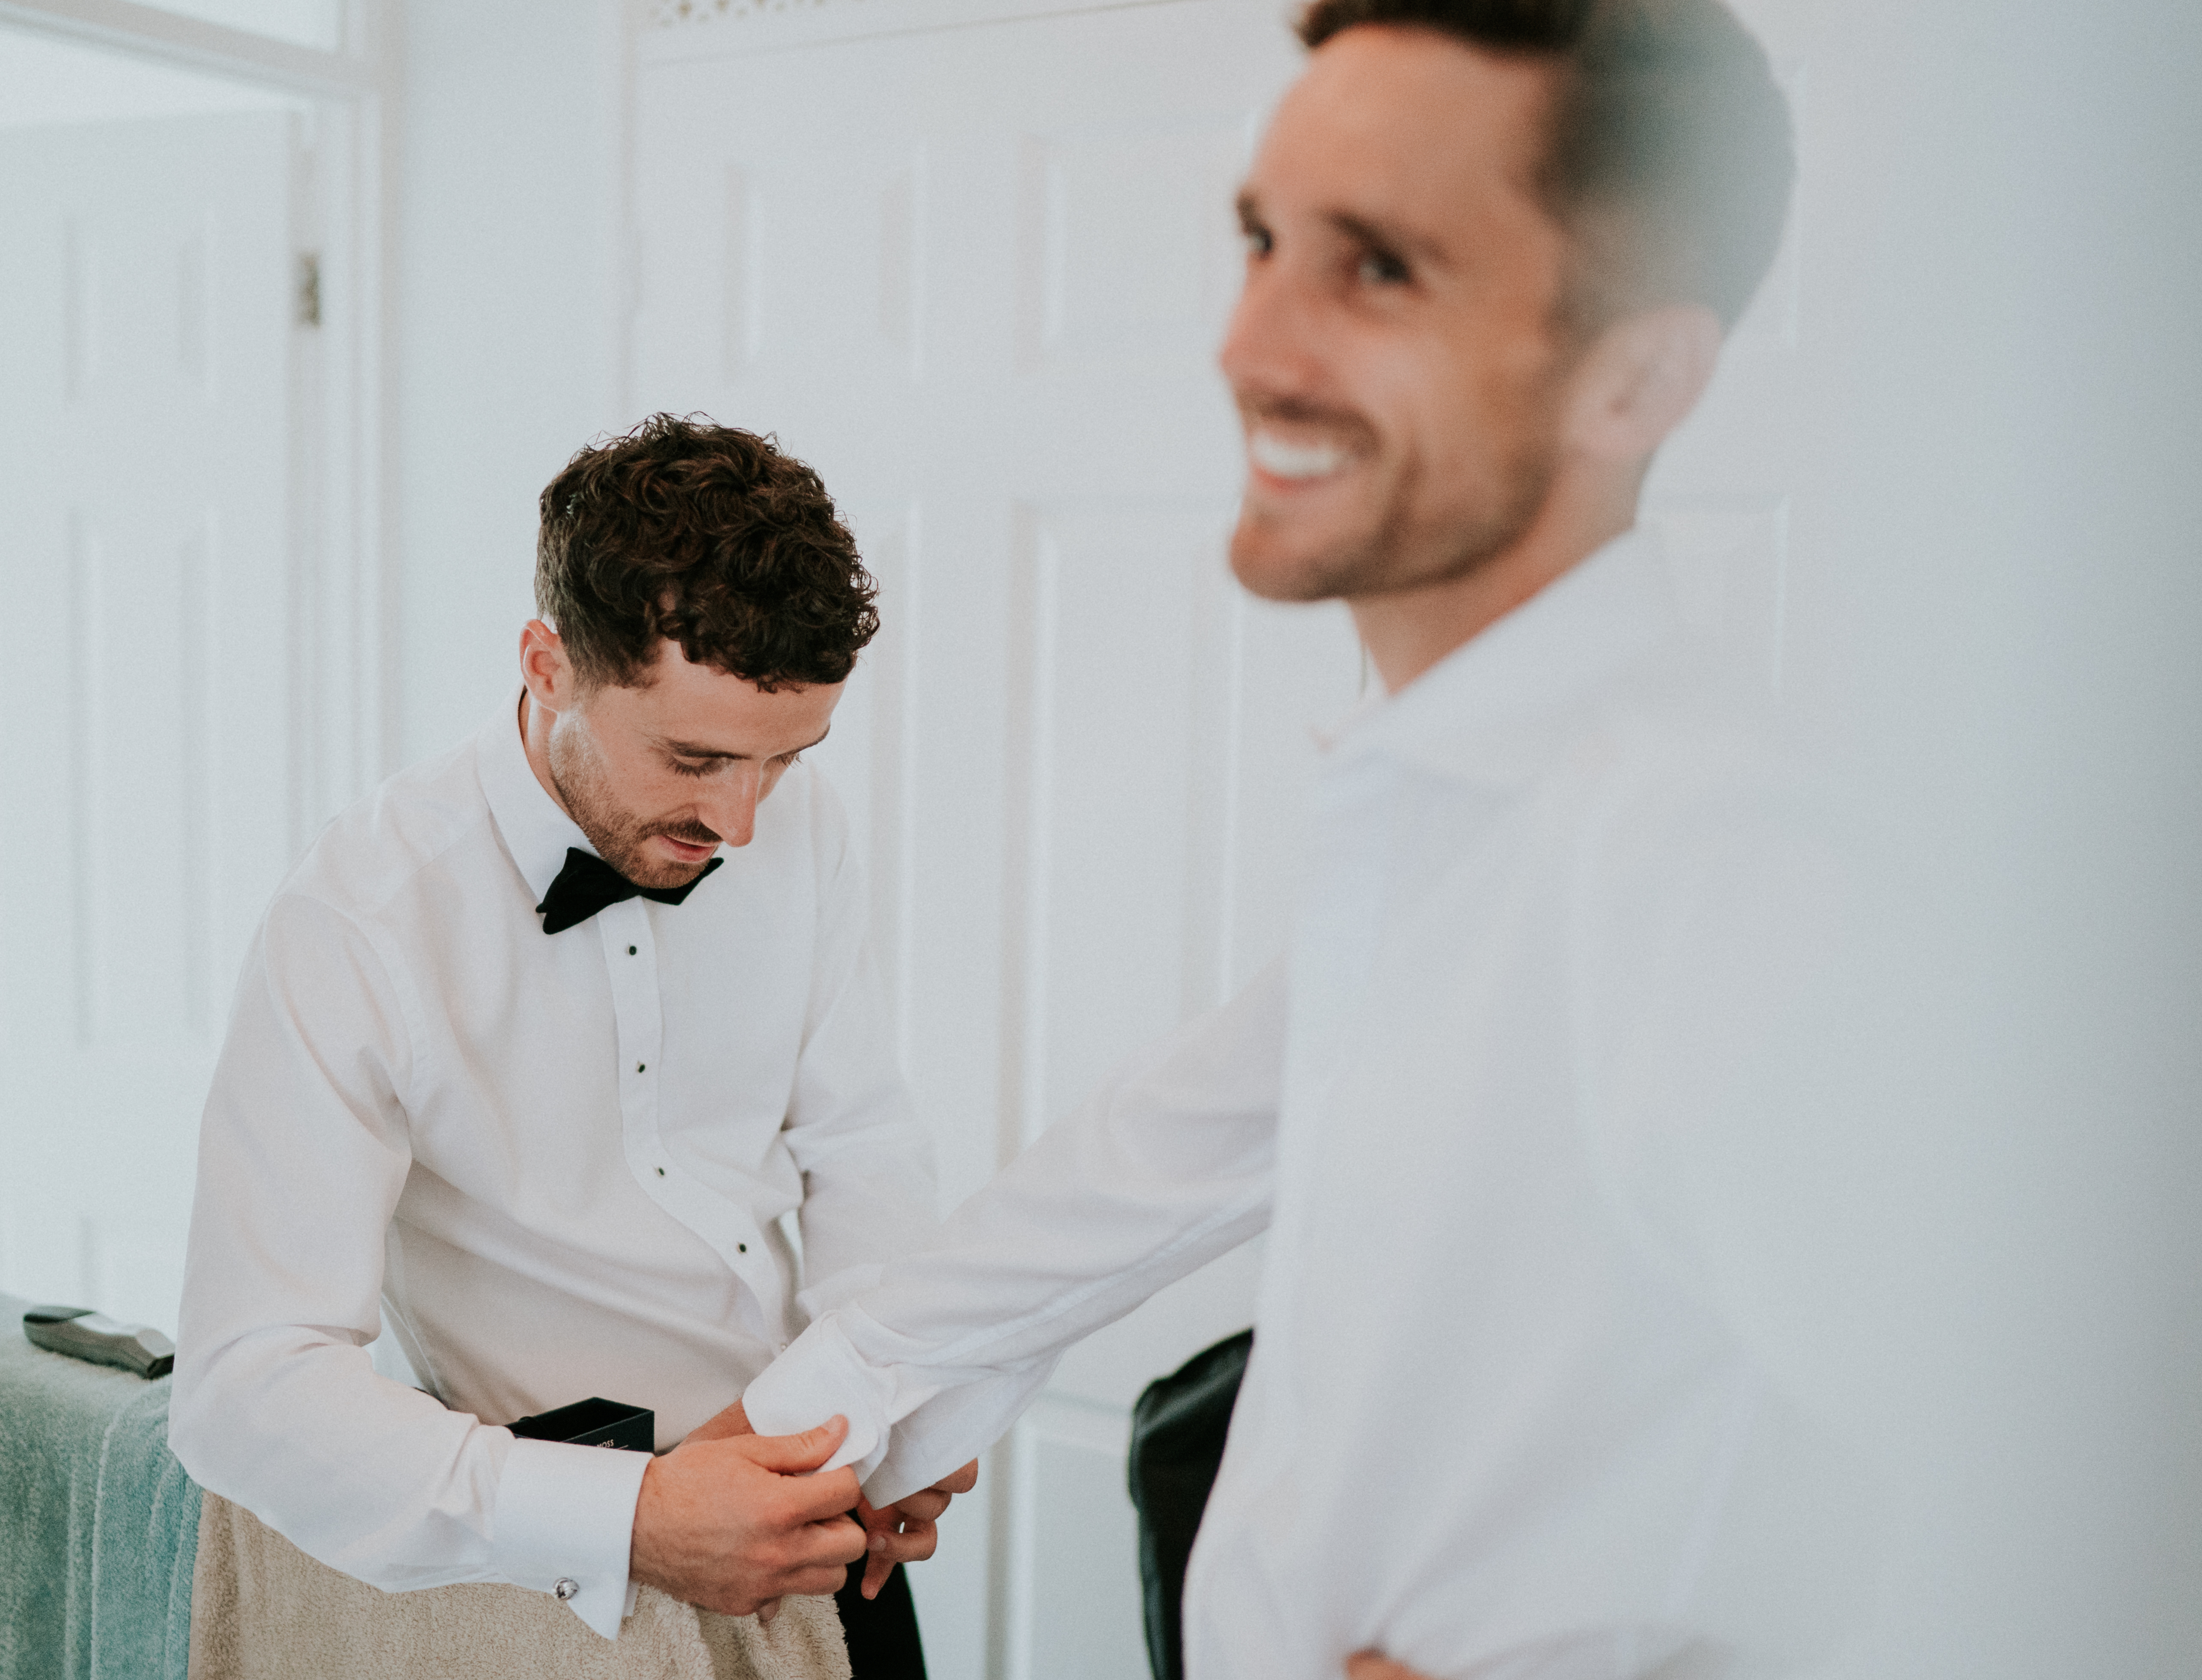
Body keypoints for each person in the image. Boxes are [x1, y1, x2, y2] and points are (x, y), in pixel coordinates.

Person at [737, 3, 1868, 1677]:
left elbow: (2064, 1497)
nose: (1251, 345)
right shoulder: (1437, 813)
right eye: (1263, 242)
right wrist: (810, 1438)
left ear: (1638, 375)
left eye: (1379, 269)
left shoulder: (1709, 858)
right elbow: (1146, 1166)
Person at [169, 415, 975, 1677]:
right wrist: (635, 1520)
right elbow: (243, 1387)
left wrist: (885, 1410)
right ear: (548, 665)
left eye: (785, 761)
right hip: (532, 1584)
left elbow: (862, 1142)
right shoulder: (361, 922)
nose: (743, 824)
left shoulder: (793, 828)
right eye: (695, 759)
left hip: (818, 1531)